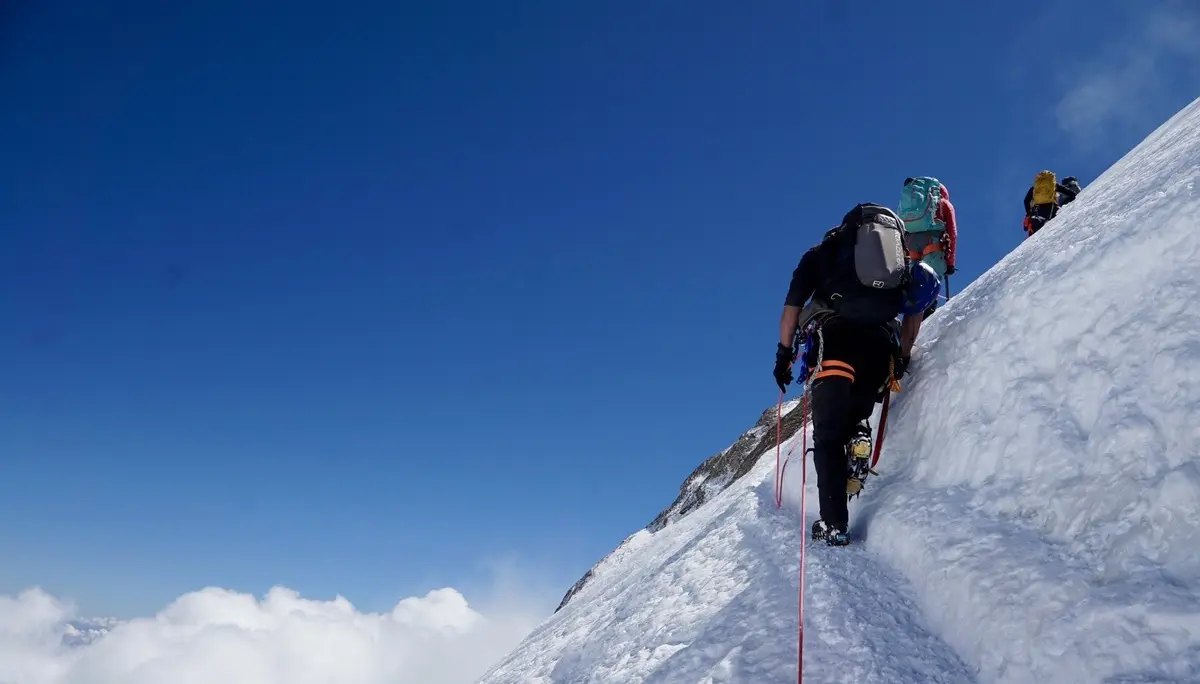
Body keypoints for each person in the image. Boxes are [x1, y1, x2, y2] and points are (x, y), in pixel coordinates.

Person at [772, 203, 941, 546]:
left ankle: (834, 524)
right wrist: (904, 355)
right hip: (879, 349)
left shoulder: (819, 255)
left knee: (829, 436)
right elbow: (913, 312)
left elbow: (791, 311)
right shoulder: (899, 261)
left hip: (833, 343)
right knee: (855, 414)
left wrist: (784, 355)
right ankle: (860, 437)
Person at [897, 176, 957, 319]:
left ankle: (906, 337)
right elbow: (952, 233)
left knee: (913, 292)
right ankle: (924, 329)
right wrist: (950, 263)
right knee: (929, 291)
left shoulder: (908, 206)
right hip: (933, 244)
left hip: (910, 246)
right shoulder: (943, 203)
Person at [1023, 171, 1080, 237]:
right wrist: (1074, 196)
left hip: (1038, 211)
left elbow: (1026, 200)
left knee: (1034, 236)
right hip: (1052, 209)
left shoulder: (1035, 187)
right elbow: (1067, 192)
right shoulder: (1053, 185)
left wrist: (1028, 212)